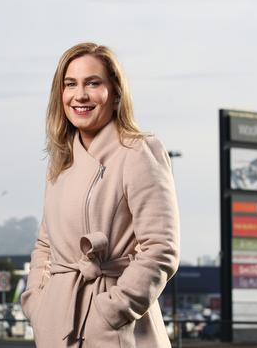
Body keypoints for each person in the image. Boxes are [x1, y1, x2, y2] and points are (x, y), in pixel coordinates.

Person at [21, 43, 180, 347]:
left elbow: (161, 248)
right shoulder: (61, 162)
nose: (80, 95)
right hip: (58, 324)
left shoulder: (138, 152)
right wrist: (37, 304)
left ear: (115, 92)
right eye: (70, 84)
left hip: (117, 329)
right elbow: (45, 243)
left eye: (93, 83)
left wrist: (111, 310)